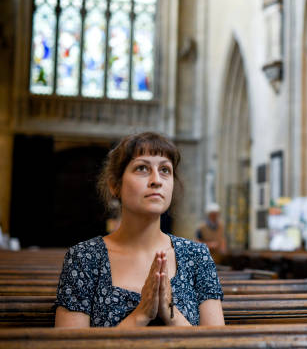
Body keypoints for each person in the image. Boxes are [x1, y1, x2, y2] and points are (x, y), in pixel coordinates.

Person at [54, 132, 225, 327]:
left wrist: (170, 312)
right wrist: (140, 315)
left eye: (165, 170)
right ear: (114, 185)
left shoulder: (198, 256)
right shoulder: (84, 258)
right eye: (142, 168)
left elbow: (216, 343)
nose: (156, 180)